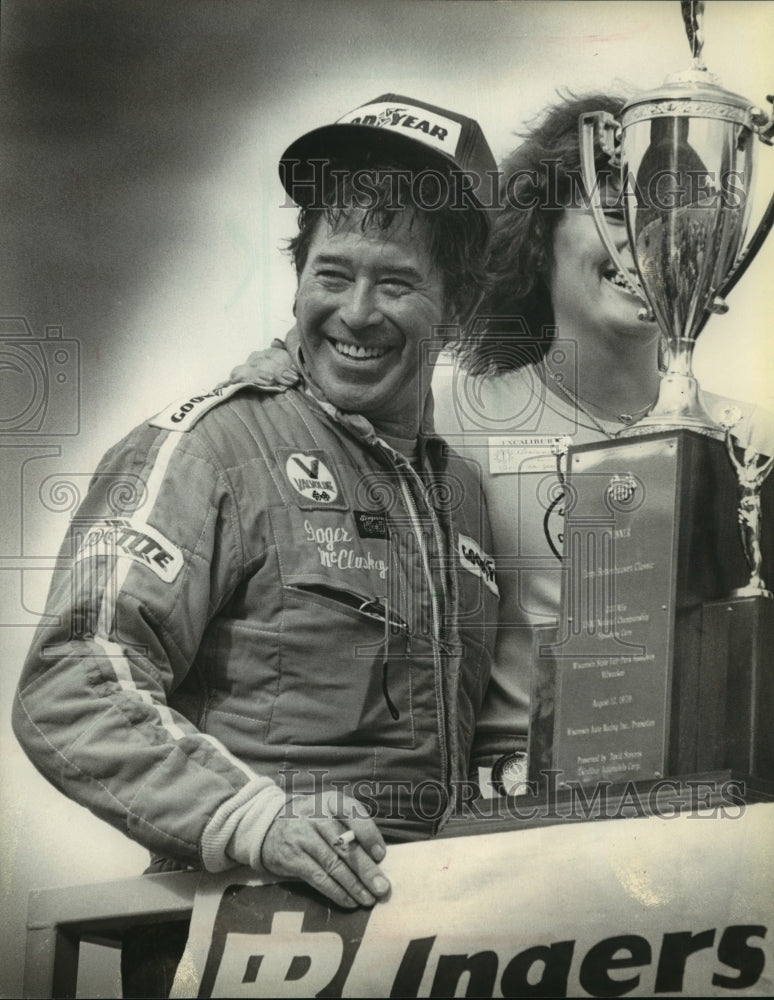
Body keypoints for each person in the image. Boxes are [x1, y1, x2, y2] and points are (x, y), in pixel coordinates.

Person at [12, 93, 499, 996]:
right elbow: (71, 680)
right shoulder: (211, 449)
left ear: (457, 305)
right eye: (331, 273)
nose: (356, 312)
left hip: (436, 950)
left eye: (395, 283)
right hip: (237, 950)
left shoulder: (463, 495)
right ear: (297, 270)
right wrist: (256, 820)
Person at [228, 91, 773, 796]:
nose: (644, 237)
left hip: (704, 809)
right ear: (539, 231)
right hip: (499, 814)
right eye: (614, 212)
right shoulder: (440, 413)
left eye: (672, 216)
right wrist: (280, 367)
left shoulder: (753, 444)